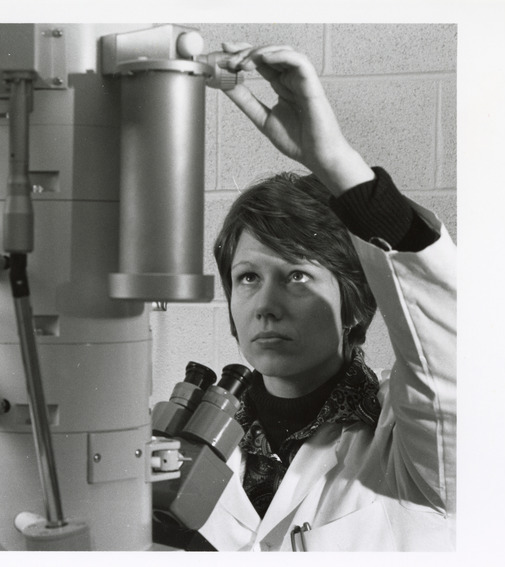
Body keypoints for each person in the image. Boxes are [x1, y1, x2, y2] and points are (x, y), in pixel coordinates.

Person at [192, 44, 456, 551]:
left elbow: (448, 352)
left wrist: (334, 163)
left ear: (356, 302)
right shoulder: (196, 439)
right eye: (248, 277)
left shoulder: (404, 436)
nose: (265, 304)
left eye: (296, 276)